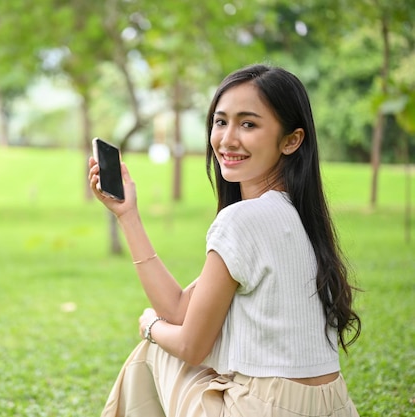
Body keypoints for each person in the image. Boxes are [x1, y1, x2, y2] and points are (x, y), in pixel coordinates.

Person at [87, 64, 361, 417]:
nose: (227, 139)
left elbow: (191, 345)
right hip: (333, 406)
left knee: (153, 350)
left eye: (248, 124)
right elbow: (181, 309)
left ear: (292, 140)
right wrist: (128, 214)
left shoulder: (241, 219)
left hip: (265, 409)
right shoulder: (302, 217)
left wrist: (150, 326)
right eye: (220, 121)